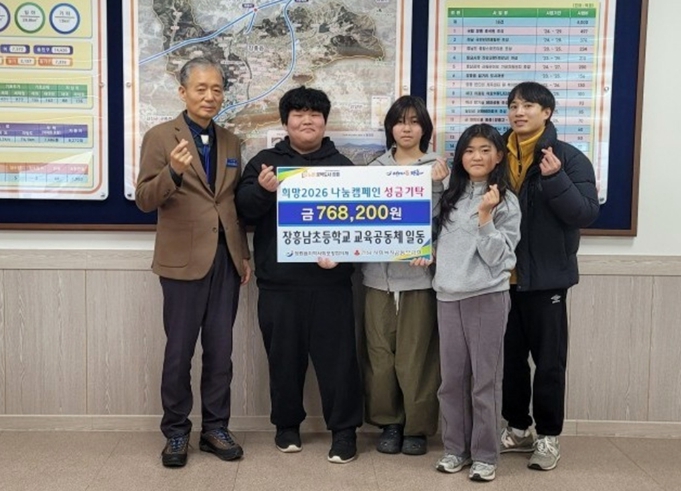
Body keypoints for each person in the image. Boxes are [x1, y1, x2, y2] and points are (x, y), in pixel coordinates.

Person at [234, 86, 363, 464]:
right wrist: (263, 191)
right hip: (279, 284)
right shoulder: (264, 164)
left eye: (314, 114)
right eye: (299, 114)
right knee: (283, 361)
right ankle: (287, 425)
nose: (307, 121)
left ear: (324, 121)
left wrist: (342, 259)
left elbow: (357, 227)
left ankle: (344, 431)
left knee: (339, 362)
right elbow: (243, 210)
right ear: (285, 121)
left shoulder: (342, 166)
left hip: (331, 285)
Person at [135, 57, 251, 468]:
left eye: (217, 89)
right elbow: (145, 199)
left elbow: (230, 204)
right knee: (179, 352)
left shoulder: (231, 141)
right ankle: (176, 432)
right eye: (201, 88)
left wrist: (242, 254)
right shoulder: (160, 137)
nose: (210, 96)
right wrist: (173, 172)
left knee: (221, 351)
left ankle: (216, 428)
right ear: (183, 92)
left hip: (225, 260)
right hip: (181, 262)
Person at [499, 81, 599, 471]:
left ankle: (548, 435)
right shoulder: (497, 153)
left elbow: (585, 214)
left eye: (528, 105)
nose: (519, 112)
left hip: (547, 281)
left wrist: (556, 178)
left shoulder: (568, 158)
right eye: (513, 105)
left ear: (547, 113)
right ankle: (517, 428)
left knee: (549, 363)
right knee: (509, 361)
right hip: (500, 278)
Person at [420, 123, 520, 482]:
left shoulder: (505, 201)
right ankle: (455, 450)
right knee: (451, 381)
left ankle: (486, 455)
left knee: (485, 382)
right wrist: (427, 251)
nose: (476, 156)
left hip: (486, 297)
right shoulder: (451, 194)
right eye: (469, 150)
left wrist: (485, 218)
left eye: (485, 150)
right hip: (447, 296)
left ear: (498, 157)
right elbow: (432, 234)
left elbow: (499, 258)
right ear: (460, 156)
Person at [361, 95, 449, 456]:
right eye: (400, 121)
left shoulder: (439, 168)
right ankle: (389, 423)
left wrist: (434, 248)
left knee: (417, 357)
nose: (407, 128)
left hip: (419, 279)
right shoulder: (373, 168)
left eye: (414, 121)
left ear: (425, 128)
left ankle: (417, 427)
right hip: (376, 279)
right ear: (390, 128)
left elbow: (450, 223)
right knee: (379, 355)